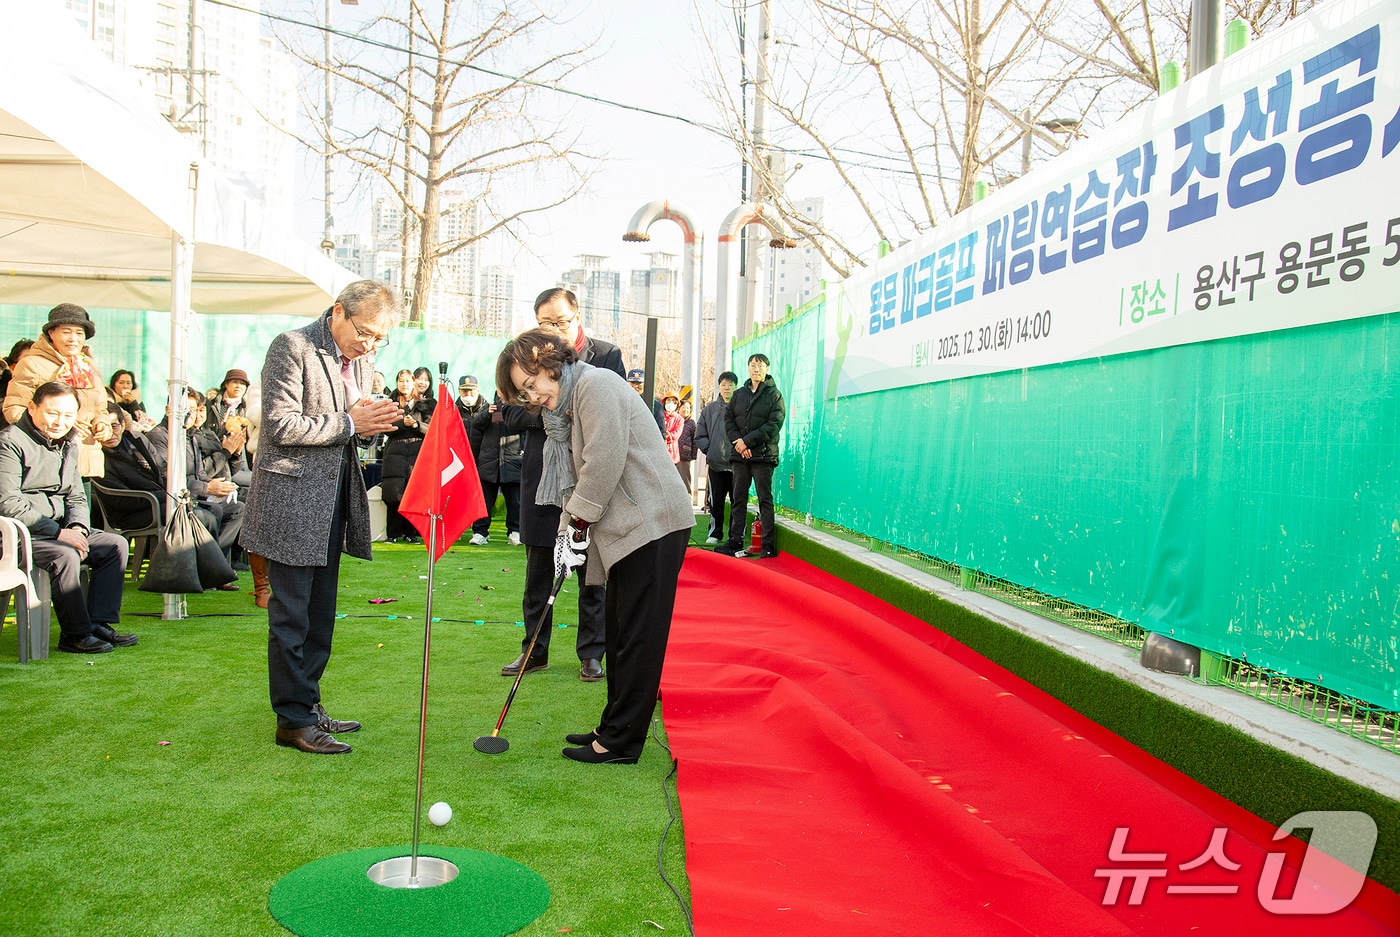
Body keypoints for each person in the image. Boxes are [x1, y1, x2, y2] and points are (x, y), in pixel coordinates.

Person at [497, 330, 692, 763]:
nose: (533, 397)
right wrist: (566, 532)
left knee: (639, 635)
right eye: (524, 393)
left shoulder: (596, 384)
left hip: (652, 522)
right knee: (620, 631)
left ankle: (622, 741)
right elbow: (580, 474)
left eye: (532, 385)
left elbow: (602, 461)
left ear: (547, 362)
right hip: (629, 528)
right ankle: (613, 723)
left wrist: (578, 524)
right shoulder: (569, 402)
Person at [239, 279, 403, 755]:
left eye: (379, 338)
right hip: (290, 500)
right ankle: (291, 721)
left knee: (320, 616)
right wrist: (353, 423)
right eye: (366, 332)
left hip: (332, 500)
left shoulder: (361, 359)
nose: (370, 344)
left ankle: (308, 705)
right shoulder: (292, 346)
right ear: (337, 312)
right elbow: (280, 423)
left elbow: (350, 425)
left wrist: (371, 421)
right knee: (290, 616)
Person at [498, 287, 626, 682]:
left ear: (577, 316)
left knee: (591, 572)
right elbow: (509, 412)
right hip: (543, 479)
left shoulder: (605, 356)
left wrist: (557, 407)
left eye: (560, 321)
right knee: (538, 571)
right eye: (545, 322)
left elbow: (612, 411)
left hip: (588, 477)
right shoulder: (520, 358)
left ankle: (591, 653)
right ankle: (534, 650)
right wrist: (551, 408)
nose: (553, 329)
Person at [0, 382, 135, 653]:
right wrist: (59, 533)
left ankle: (97, 622)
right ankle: (75, 636)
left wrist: (77, 527)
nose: (60, 422)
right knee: (65, 554)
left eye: (68, 415)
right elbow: (8, 502)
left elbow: (76, 495)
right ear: (32, 407)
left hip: (60, 528)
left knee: (114, 545)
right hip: (18, 534)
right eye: (52, 413)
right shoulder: (9, 442)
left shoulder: (71, 441)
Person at [3, 304, 113, 481]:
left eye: (79, 333)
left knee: (80, 508)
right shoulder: (32, 364)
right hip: (45, 459)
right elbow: (14, 409)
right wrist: (57, 426)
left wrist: (102, 425)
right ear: (51, 334)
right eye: (66, 332)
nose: (73, 339)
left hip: (84, 461)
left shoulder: (90, 368)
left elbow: (101, 409)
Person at [715, 353, 785, 559]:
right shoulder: (739, 394)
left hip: (762, 456)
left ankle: (768, 546)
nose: (756, 369)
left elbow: (774, 424)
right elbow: (729, 420)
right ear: (748, 368)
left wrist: (748, 442)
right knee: (738, 499)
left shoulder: (775, 395)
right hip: (740, 456)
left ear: (767, 368)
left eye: (760, 365)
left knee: (765, 499)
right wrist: (740, 442)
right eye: (752, 365)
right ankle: (735, 541)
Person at [380, 368, 432, 543]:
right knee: (393, 494)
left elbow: (432, 428)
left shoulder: (426, 404)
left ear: (413, 383)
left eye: (407, 381)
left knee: (414, 494)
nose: (404, 384)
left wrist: (416, 425)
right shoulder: (389, 402)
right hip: (394, 454)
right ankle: (393, 533)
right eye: (401, 381)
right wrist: (403, 423)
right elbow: (385, 425)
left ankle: (411, 533)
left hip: (417, 454)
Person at [469, 392, 523, 546]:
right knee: (484, 501)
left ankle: (515, 531)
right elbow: (476, 424)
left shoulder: (520, 408)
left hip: (512, 462)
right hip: (488, 463)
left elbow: (525, 428)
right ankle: (480, 532)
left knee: (515, 501)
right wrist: (487, 413)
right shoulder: (488, 407)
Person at [694, 371, 738, 543]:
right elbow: (700, 434)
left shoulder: (742, 408)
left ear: (736, 386)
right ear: (719, 386)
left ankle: (736, 536)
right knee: (716, 502)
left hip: (738, 465)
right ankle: (715, 533)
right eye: (724, 384)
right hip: (716, 464)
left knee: (737, 502)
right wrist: (710, 450)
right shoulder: (710, 409)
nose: (727, 388)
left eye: (730, 384)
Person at [455, 374, 488, 460]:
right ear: (459, 392)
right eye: (464, 391)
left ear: (478, 390)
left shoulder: (488, 410)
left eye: (471, 390)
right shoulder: (453, 412)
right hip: (461, 461)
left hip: (482, 461)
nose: (468, 394)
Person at [626, 367, 666, 436]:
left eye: (639, 383)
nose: (635, 386)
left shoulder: (655, 405)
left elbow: (661, 431)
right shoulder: (622, 401)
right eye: (632, 382)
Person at [677, 398, 697, 493]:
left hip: (684, 456)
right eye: (683, 407)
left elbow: (695, 440)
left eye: (688, 408)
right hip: (673, 455)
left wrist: (693, 455)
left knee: (685, 480)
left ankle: (687, 499)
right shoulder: (675, 420)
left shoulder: (691, 423)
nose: (686, 410)